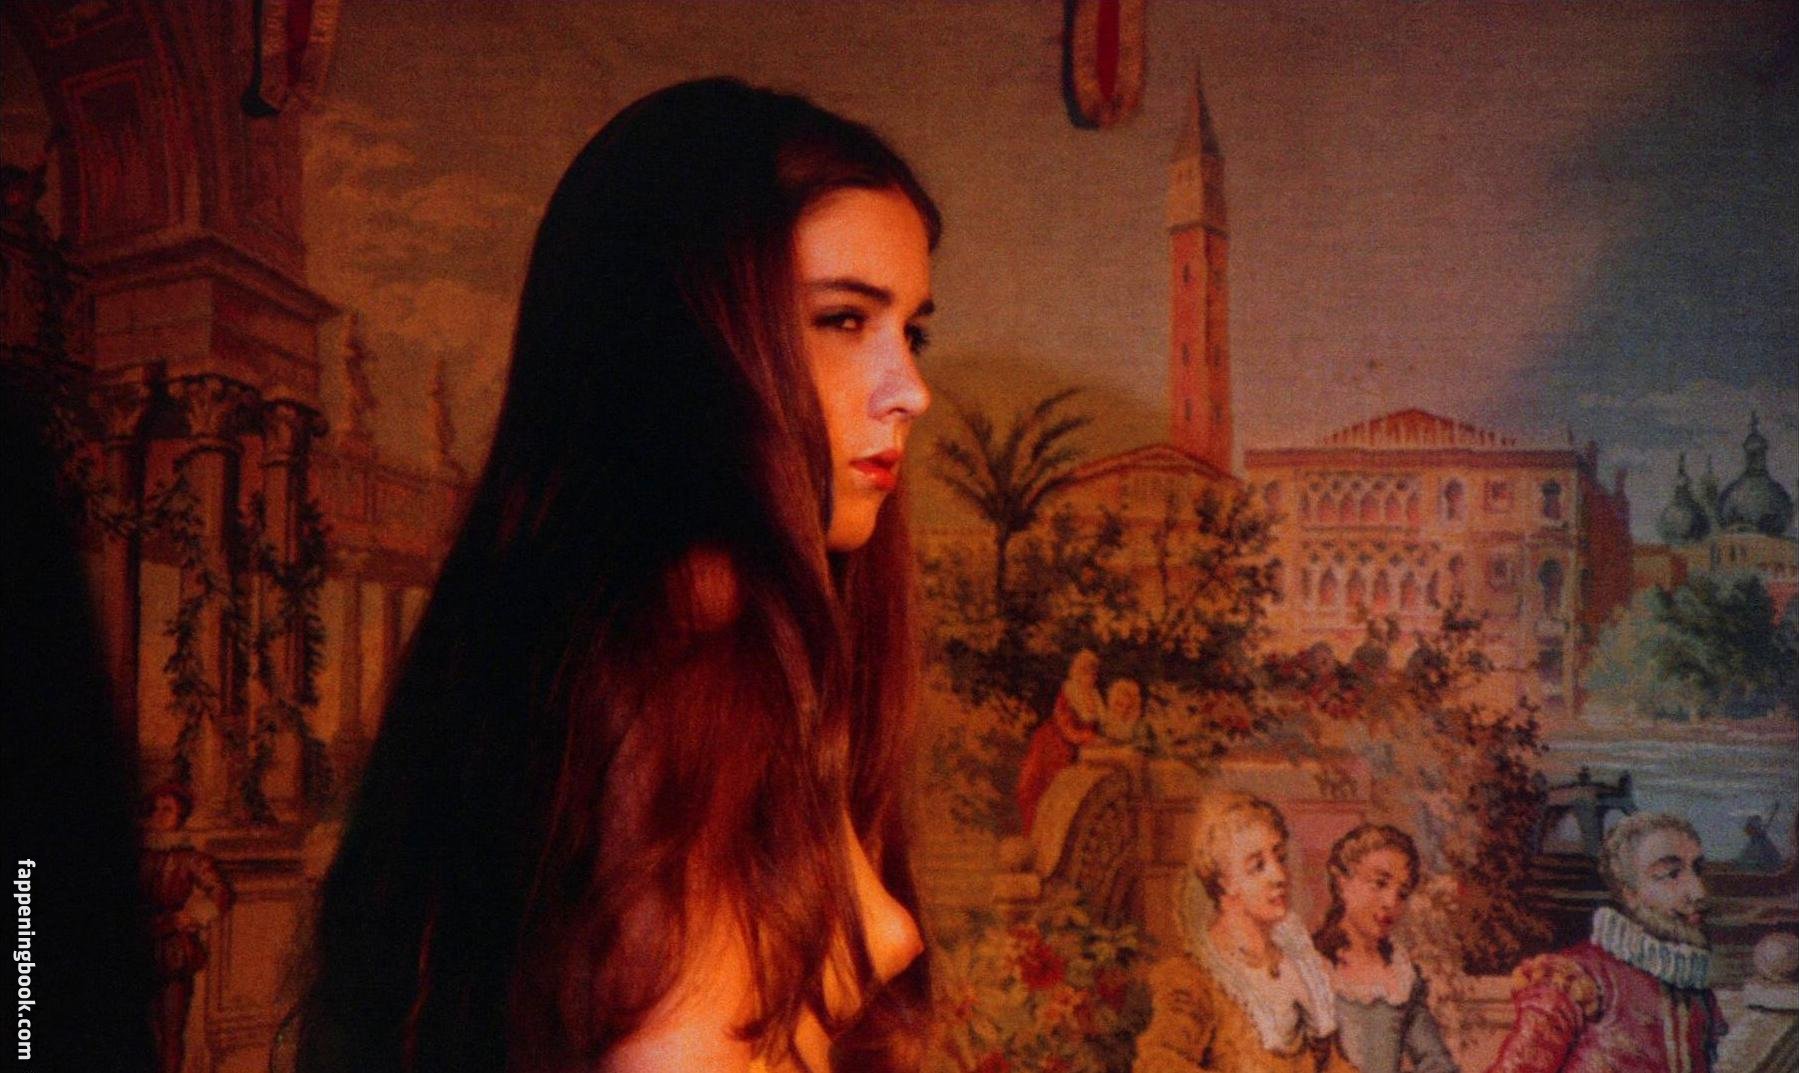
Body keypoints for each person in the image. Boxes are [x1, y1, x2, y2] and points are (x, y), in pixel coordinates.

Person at [295, 78, 940, 1073]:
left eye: (912, 330)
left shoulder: (545, 644)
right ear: (693, 338)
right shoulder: (704, 633)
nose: (911, 389)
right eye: (845, 319)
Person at [1134, 792, 1357, 1073]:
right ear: (1224, 882)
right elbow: (1158, 1063)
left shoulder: (1300, 967)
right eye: (1257, 866)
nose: (1279, 876)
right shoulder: (1195, 979)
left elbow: (1332, 1066)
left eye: (1280, 858)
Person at [1486, 811, 1723, 1073]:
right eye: (1671, 874)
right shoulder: (1575, 978)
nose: (1698, 892)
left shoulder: (1698, 994)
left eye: (1697, 870)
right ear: (1628, 892)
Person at [1314, 824, 1457, 1073]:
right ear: (1342, 882)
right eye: (1380, 884)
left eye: (1402, 893)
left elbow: (1436, 1062)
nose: (1391, 902)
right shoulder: (1310, 966)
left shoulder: (1401, 977)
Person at [141, 783, 235, 1073]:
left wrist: (192, 916)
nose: (159, 815)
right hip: (138, 943)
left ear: (180, 815)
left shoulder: (190, 858)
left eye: (167, 810)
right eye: (156, 809)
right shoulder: (138, 854)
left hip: (173, 951)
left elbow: (221, 893)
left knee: (171, 1032)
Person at [1017, 649, 1104, 834]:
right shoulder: (1069, 693)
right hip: (1055, 743)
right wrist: (1083, 737)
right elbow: (1064, 725)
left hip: (1081, 747)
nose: (1090, 677)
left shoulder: (1095, 697)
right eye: (1085, 672)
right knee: (1044, 786)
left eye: (1093, 673)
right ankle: (1039, 833)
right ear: (1077, 672)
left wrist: (1097, 739)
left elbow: (1100, 725)